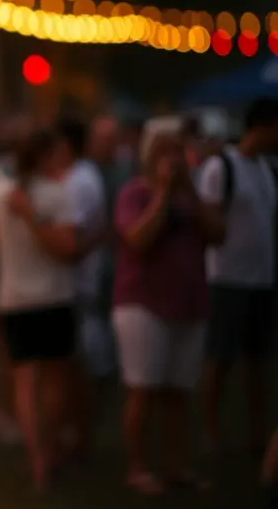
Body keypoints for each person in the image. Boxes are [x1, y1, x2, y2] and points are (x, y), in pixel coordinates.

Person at [114, 118, 224, 495]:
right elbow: (138, 239)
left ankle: (178, 467)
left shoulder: (192, 197)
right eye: (164, 152)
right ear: (149, 157)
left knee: (179, 392)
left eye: (178, 151)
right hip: (142, 303)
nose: (173, 160)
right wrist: (162, 192)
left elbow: (218, 234)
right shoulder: (134, 193)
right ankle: (138, 467)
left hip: (189, 303)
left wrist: (188, 192)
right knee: (143, 390)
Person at [0, 128, 79, 490]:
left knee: (25, 381)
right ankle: (45, 455)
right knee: (52, 381)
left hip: (15, 299)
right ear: (45, 155)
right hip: (52, 297)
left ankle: (37, 458)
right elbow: (68, 247)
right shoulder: (57, 193)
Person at [198, 97, 278, 455]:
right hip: (227, 278)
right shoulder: (221, 167)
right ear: (261, 127)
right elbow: (208, 219)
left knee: (257, 360)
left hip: (261, 279)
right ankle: (211, 428)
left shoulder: (268, 168)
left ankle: (257, 432)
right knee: (221, 358)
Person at [56, 117, 111, 458]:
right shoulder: (84, 176)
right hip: (82, 284)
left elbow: (73, 241)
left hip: (79, 286)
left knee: (79, 370)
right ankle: (82, 434)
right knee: (79, 368)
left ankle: (82, 437)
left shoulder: (78, 182)